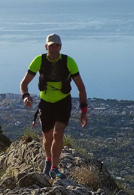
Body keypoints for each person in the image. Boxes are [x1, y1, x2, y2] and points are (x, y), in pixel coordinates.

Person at [20, 33, 88, 179]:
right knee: (47, 136)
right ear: (46, 47)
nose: (54, 48)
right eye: (51, 46)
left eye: (57, 45)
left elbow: (81, 88)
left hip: (63, 102)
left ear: (60, 47)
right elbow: (24, 83)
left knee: (58, 133)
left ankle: (54, 168)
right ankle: (48, 160)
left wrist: (83, 111)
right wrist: (25, 96)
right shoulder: (39, 61)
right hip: (45, 103)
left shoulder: (68, 62)